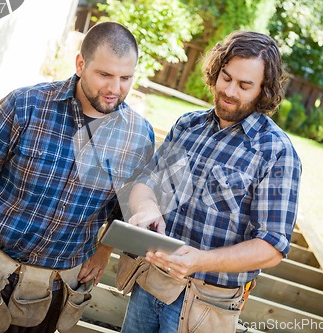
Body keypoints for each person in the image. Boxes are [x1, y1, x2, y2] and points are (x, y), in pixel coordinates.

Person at [0, 22, 154, 333]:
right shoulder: (24, 105)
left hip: (55, 289)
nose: (115, 89)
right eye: (105, 75)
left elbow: (121, 210)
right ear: (81, 64)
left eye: (126, 78)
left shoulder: (138, 135)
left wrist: (103, 251)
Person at [120, 30, 302, 333]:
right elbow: (147, 183)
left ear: (264, 90)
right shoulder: (188, 126)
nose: (230, 91)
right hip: (152, 282)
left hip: (207, 303)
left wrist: (201, 261)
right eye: (226, 77)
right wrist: (147, 208)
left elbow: (272, 246)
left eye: (245, 85)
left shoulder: (276, 152)